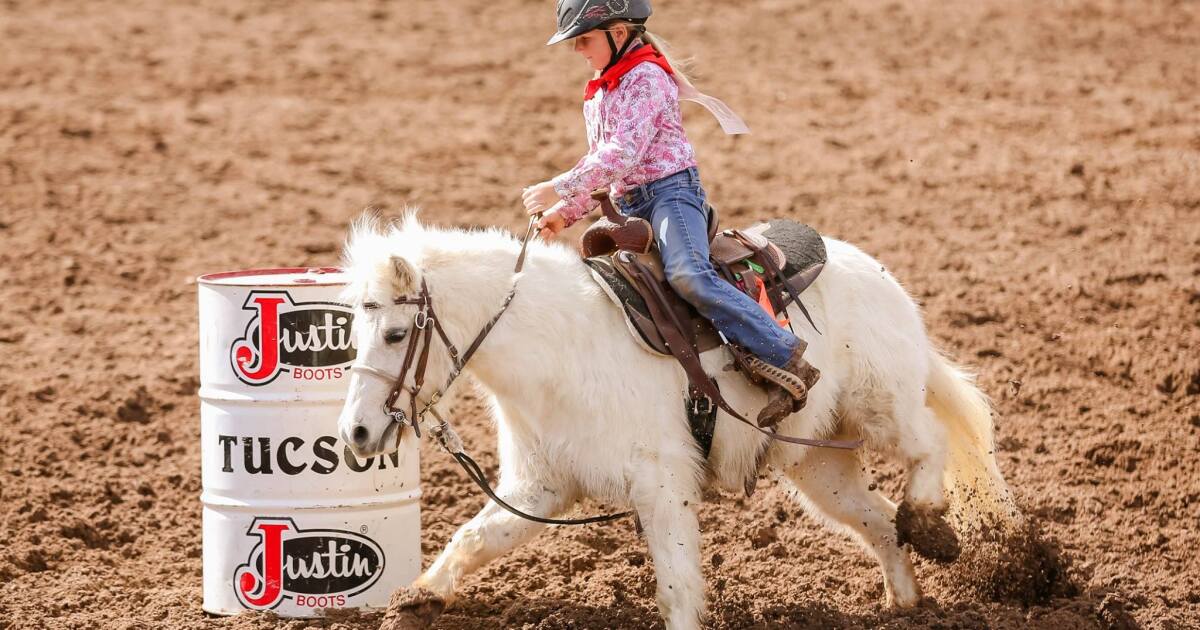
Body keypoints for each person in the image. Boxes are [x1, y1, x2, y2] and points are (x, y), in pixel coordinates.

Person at [521, 0, 819, 425]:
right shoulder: (601, 91)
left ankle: (785, 354)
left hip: (671, 196)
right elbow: (607, 173)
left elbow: (622, 153)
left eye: (583, 38)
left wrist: (557, 186)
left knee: (686, 274)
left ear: (618, 33)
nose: (577, 49)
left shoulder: (646, 77)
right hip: (629, 204)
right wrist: (563, 214)